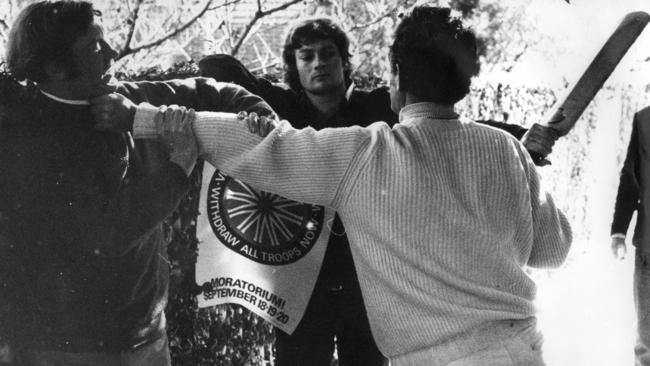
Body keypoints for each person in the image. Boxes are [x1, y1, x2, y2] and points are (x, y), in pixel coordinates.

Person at [93, 6, 573, 365]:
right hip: (523, 350)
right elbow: (551, 249)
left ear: (396, 78)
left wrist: (140, 117)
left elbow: (255, 145)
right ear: (468, 82)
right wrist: (519, 185)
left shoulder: (366, 151)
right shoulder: (506, 150)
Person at [0, 1, 273, 365]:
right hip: (62, 346)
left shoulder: (128, 97)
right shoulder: (27, 138)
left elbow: (219, 93)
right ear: (53, 67)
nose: (112, 52)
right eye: (95, 47)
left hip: (146, 336)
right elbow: (109, 232)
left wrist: (258, 119)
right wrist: (180, 165)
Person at [200, 19, 398, 366]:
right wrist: (257, 106)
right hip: (302, 279)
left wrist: (519, 138)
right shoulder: (281, 107)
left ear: (344, 61)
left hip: (366, 277)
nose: (319, 63)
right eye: (306, 57)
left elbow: (439, 123)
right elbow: (213, 67)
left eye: (328, 54)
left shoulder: (378, 105)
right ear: (294, 66)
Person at [610, 106, 650, 365]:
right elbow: (630, 176)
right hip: (649, 249)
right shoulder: (644, 119)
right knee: (646, 342)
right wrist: (619, 230)